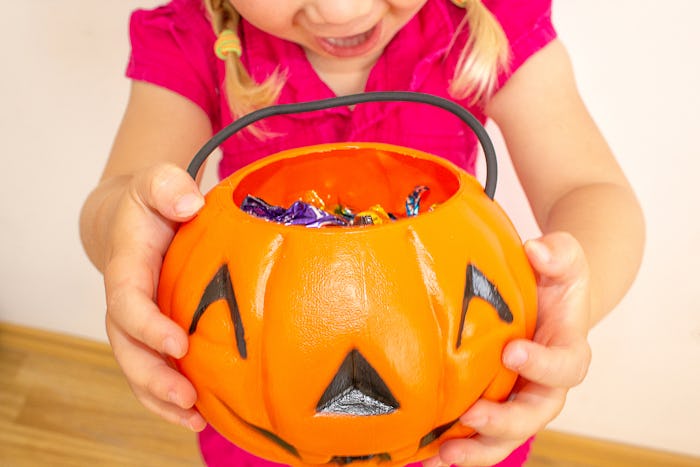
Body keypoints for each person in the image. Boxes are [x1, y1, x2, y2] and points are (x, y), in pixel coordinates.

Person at [79, 0, 645, 466]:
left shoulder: (488, 21)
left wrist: (566, 302)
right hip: (262, 419)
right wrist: (122, 228)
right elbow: (121, 195)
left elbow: (589, 189)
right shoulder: (189, 40)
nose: (340, 10)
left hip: (462, 416)